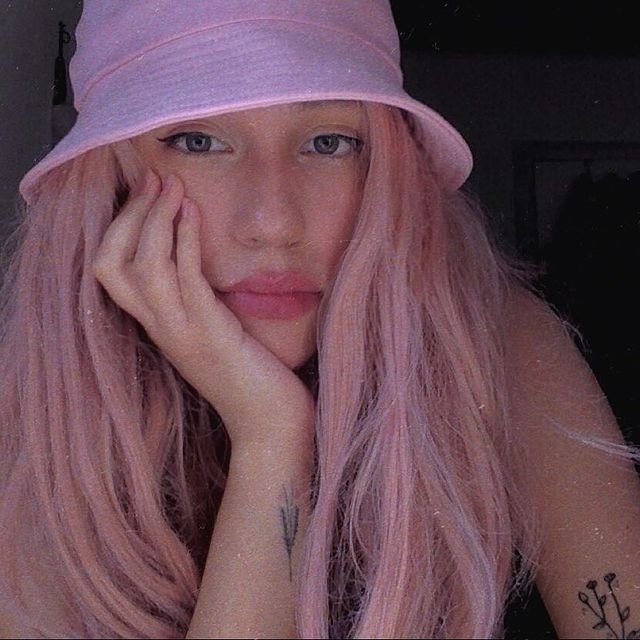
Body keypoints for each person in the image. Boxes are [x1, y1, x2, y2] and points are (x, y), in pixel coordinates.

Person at [1, 1, 639, 638]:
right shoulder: (39, 416)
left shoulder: (497, 342)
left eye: (328, 143)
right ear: (110, 175)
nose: (274, 222)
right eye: (198, 141)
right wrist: (271, 435)